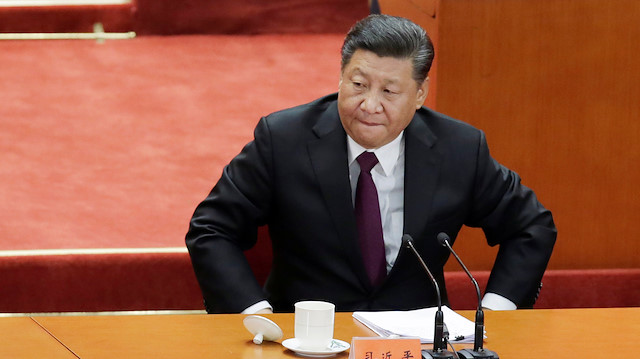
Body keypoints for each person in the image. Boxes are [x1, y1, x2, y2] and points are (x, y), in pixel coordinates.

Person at [186, 14, 557, 314]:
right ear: (341, 76)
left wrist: (495, 312)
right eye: (359, 85)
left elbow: (531, 226)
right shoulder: (283, 140)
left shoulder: (459, 148)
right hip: (306, 340)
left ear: (420, 94)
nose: (369, 105)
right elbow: (212, 228)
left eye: (389, 91)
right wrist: (254, 314)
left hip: (418, 343)